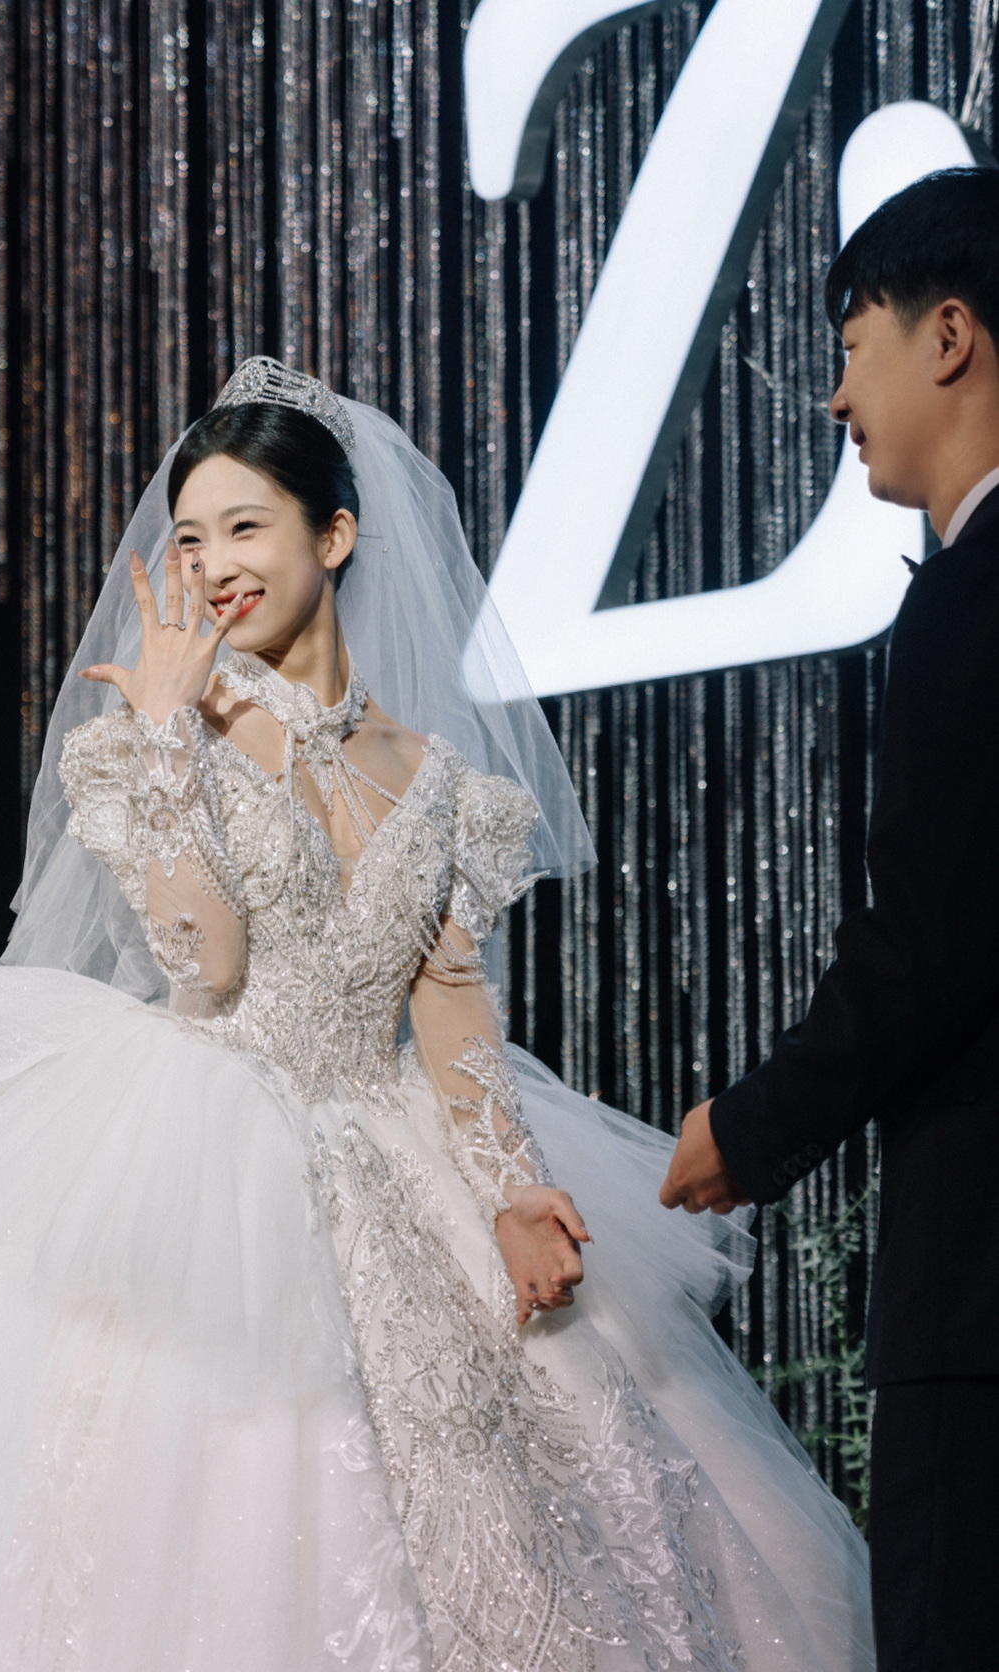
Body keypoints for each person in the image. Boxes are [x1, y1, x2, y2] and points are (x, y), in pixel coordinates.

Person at [0, 359, 873, 1671]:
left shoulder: (430, 774)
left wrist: (512, 1186)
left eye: (245, 526)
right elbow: (206, 963)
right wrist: (168, 743)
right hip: (207, 1160)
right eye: (189, 538)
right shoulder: (159, 730)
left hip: (392, 1145)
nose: (212, 564)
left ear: (333, 536)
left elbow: (447, 1001)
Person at [659, 166, 999, 1672]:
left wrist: (751, 1127)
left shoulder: (973, 600)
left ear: (948, 337)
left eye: (850, 347)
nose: (834, 398)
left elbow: (930, 940)